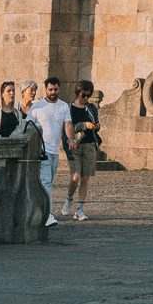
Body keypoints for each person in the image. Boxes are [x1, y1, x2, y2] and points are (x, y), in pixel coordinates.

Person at [25, 76, 71, 225]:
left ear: (59, 89)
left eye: (55, 89)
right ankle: (48, 214)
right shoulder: (38, 106)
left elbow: (68, 125)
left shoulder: (64, 106)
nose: (53, 92)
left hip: (55, 152)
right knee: (46, 183)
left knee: (48, 181)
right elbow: (28, 127)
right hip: (42, 151)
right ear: (45, 90)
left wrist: (71, 139)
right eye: (50, 89)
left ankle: (37, 210)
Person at [61, 81, 102, 220]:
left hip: (90, 145)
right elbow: (68, 127)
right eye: (83, 95)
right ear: (77, 93)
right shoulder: (68, 108)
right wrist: (84, 125)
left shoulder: (91, 108)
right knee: (75, 176)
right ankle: (68, 200)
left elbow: (96, 123)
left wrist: (96, 126)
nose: (85, 98)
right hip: (74, 146)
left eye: (88, 96)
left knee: (85, 179)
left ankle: (79, 209)